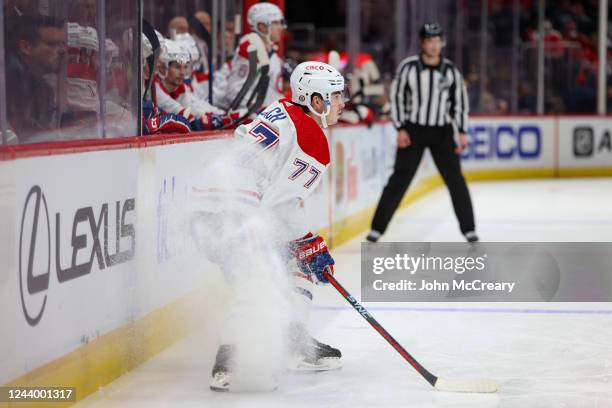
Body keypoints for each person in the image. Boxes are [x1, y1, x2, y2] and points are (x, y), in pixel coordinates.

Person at [190, 61, 346, 392]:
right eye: (336, 96)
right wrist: (309, 243)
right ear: (316, 101)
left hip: (207, 207)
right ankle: (229, 364)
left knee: (273, 274)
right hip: (237, 210)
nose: (343, 102)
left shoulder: (281, 109)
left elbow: (270, 195)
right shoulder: (312, 138)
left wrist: (301, 244)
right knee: (261, 282)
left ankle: (291, 344)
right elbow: (284, 204)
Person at [366, 23, 478, 243]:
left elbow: (459, 103)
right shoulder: (408, 68)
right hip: (413, 130)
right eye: (430, 41)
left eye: (438, 41)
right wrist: (400, 128)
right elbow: (396, 98)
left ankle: (469, 229)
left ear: (442, 43)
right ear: (423, 43)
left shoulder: (451, 71)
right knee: (399, 179)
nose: (435, 46)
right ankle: (377, 229)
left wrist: (462, 131)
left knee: (456, 181)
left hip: (442, 132)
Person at [212, 2, 286, 111]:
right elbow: (236, 93)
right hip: (252, 121)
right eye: (276, 23)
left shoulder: (270, 50)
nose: (281, 27)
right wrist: (259, 113)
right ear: (262, 26)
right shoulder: (251, 48)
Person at [5, 14, 66, 143]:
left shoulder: (43, 89)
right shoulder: (7, 87)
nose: (62, 50)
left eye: (62, 43)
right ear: (26, 47)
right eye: (51, 44)